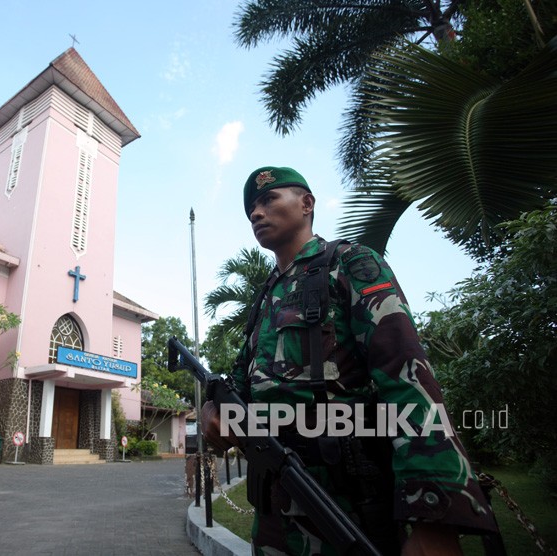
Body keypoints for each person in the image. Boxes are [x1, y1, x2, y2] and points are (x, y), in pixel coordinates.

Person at [202, 166, 499, 556]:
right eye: (251, 209)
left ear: (306, 204)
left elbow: (406, 376)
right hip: (273, 509)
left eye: (268, 199)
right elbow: (241, 379)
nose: (256, 213)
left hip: (345, 504)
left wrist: (433, 519)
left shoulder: (351, 264)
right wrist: (214, 407)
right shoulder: (265, 296)